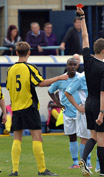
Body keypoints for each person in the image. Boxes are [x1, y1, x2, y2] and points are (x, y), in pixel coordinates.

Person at [6, 41, 67, 176]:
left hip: (16, 108)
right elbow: (41, 83)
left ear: (16, 53)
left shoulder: (10, 70)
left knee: (17, 138)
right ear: (29, 53)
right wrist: (59, 77)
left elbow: (10, 88)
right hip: (29, 107)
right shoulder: (30, 68)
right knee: (37, 137)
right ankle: (41, 170)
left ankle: (14, 170)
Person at [77, 7, 104, 176]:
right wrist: (101, 113)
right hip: (99, 105)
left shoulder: (88, 60)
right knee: (102, 139)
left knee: (93, 136)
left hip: (88, 102)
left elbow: (84, 37)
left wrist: (82, 17)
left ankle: (83, 159)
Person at [49, 58, 92, 169]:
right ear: (67, 65)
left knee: (85, 137)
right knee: (72, 137)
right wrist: (58, 104)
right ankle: (75, 163)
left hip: (81, 112)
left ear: (78, 66)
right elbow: (50, 91)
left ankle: (88, 161)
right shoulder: (61, 79)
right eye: (70, 64)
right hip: (68, 112)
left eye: (75, 65)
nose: (72, 67)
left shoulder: (81, 78)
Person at [65, 72, 100, 173]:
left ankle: (98, 166)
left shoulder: (98, 73)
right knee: (85, 138)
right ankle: (86, 164)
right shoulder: (81, 77)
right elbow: (68, 92)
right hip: (86, 111)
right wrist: (77, 107)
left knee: (102, 137)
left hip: (98, 110)